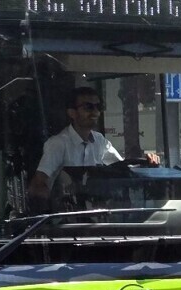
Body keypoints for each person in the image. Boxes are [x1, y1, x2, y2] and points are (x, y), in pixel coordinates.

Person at [28, 87, 161, 204]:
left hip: (94, 214)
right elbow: (38, 185)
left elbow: (121, 168)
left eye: (98, 107)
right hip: (67, 218)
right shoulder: (58, 144)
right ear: (72, 113)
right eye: (88, 107)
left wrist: (147, 163)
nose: (96, 112)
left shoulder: (99, 141)